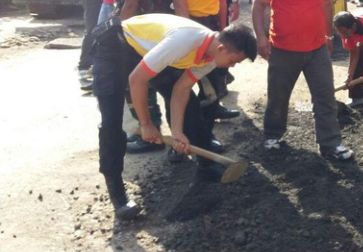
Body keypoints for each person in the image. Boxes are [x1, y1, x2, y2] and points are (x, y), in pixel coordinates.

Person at [93, 13, 256, 220]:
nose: (232, 67)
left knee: (191, 105)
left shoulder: (212, 56)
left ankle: (205, 166)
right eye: (234, 61)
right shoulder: (184, 42)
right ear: (223, 49)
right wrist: (146, 124)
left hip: (148, 50)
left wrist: (177, 133)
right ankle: (117, 193)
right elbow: (137, 80)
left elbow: (181, 90)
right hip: (116, 46)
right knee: (112, 121)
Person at [252, 0, 354, 161]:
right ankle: (273, 136)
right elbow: (259, 6)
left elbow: (327, 4)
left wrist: (328, 35)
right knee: (278, 96)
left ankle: (330, 143)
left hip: (316, 47)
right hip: (283, 48)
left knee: (325, 96)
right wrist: (260, 38)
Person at [168, 0, 240, 151]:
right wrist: (188, 40)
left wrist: (224, 32)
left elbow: (221, 1)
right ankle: (179, 143)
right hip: (188, 30)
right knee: (181, 91)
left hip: (212, 30)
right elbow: (180, 5)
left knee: (213, 91)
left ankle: (206, 137)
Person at [113, 0, 172, 155]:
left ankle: (146, 133)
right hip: (155, 26)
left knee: (135, 82)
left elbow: (129, 3)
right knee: (149, 79)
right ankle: (154, 128)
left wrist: (119, 32)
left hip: (136, 30)